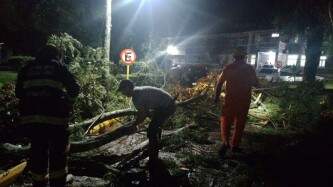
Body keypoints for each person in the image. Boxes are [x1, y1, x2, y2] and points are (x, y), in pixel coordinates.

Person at [15, 45, 80, 187]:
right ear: (56, 55)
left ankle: (39, 183)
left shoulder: (27, 68)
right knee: (58, 156)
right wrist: (64, 99)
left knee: (38, 154)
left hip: (31, 122)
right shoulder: (58, 67)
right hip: (55, 122)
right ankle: (57, 183)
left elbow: (18, 93)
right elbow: (75, 89)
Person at [117, 80, 176, 184]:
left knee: (151, 131)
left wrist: (134, 124)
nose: (123, 93)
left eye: (123, 90)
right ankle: (155, 149)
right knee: (155, 126)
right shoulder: (138, 91)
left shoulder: (137, 96)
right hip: (165, 104)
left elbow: (142, 115)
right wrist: (140, 120)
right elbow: (145, 112)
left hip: (167, 106)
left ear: (128, 88)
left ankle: (153, 160)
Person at [214, 48, 259, 158]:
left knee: (226, 121)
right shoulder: (249, 69)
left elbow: (219, 84)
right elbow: (256, 83)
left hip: (230, 100)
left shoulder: (228, 68)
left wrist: (216, 97)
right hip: (244, 101)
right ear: (245, 57)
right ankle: (235, 145)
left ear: (234, 57)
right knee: (240, 124)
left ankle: (225, 142)